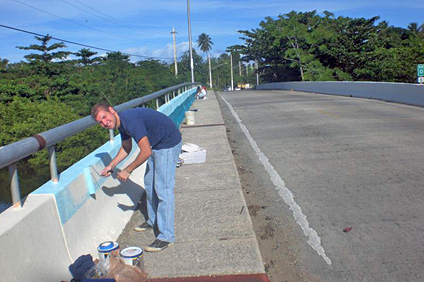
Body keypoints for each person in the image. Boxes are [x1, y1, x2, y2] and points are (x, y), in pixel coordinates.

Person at [91, 103, 182, 252]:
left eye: (104, 117)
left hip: (167, 143)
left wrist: (127, 170)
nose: (104, 123)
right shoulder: (121, 123)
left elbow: (145, 152)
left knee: (163, 189)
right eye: (100, 122)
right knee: (149, 183)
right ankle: (153, 221)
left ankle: (166, 236)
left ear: (112, 111)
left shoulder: (131, 121)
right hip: (156, 144)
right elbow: (126, 148)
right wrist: (112, 166)